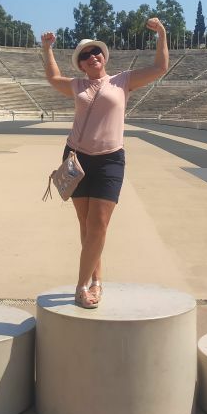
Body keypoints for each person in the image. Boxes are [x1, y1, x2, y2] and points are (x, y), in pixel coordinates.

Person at [41, 18, 169, 309]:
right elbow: (52, 78)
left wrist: (161, 33)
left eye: (96, 51)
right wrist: (46, 48)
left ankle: (81, 286)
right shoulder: (76, 86)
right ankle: (97, 281)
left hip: (110, 159)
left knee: (98, 225)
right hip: (76, 158)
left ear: (103, 56)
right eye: (85, 55)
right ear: (81, 64)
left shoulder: (122, 81)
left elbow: (160, 68)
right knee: (86, 228)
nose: (92, 56)